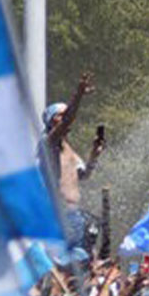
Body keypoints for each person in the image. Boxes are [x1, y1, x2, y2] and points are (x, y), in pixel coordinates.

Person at [43, 71, 106, 241]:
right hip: (57, 215)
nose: (66, 118)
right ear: (51, 121)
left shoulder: (68, 148)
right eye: (60, 115)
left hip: (74, 215)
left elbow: (83, 175)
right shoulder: (47, 145)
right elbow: (67, 122)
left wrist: (93, 155)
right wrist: (78, 95)